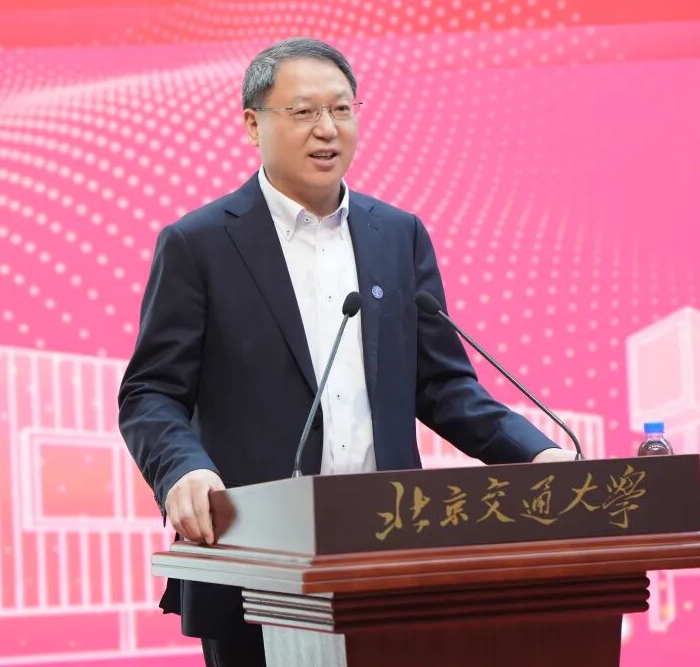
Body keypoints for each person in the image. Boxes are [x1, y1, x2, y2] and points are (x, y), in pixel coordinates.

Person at [118, 37, 577, 667]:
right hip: (258, 557)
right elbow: (151, 392)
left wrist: (536, 454)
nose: (327, 129)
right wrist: (183, 471)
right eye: (303, 111)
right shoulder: (199, 244)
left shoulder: (397, 235)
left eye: (341, 109)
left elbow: (442, 385)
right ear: (253, 124)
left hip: (390, 555)